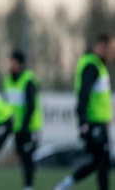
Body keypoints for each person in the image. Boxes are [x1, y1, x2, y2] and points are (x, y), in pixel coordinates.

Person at [55, 32, 114, 190]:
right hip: (93, 123)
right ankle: (66, 184)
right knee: (102, 161)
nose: (112, 53)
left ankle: (65, 184)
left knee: (99, 161)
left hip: (98, 121)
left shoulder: (98, 65)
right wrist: (83, 122)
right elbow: (83, 94)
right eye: (111, 48)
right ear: (101, 47)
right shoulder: (91, 66)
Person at [2, 50, 42, 190]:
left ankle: (28, 186)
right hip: (16, 127)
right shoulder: (7, 80)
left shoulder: (28, 80)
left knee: (28, 158)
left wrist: (25, 126)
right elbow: (7, 103)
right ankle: (27, 185)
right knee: (22, 156)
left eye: (12, 61)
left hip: (29, 127)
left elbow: (31, 106)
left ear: (19, 63)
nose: (10, 64)